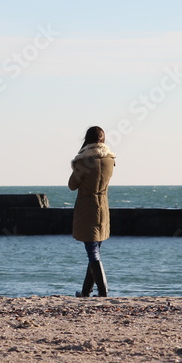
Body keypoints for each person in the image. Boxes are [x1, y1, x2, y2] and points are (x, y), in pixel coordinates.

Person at [68, 126, 116, 297]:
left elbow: (72, 185)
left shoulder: (84, 161)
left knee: (92, 252)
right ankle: (86, 291)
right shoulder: (110, 159)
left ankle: (103, 291)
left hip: (87, 208)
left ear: (87, 139)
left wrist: (76, 166)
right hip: (103, 207)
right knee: (95, 250)